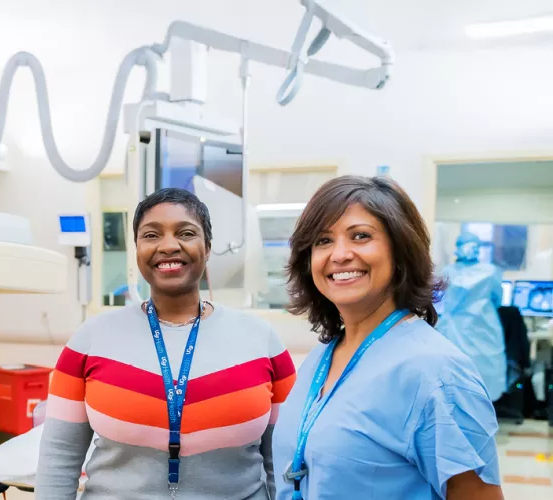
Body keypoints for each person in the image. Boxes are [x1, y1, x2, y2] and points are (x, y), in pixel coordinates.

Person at [36, 187, 296, 500]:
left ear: (208, 247)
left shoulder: (262, 341)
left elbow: (282, 459)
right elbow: (59, 457)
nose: (169, 245)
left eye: (186, 233)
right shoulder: (91, 340)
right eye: (151, 235)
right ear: (137, 249)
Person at [272, 176, 504, 500]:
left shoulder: (436, 373)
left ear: (400, 251)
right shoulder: (323, 355)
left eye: (360, 236)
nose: (339, 254)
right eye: (323, 241)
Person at [436, 232, 507, 402]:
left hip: (453, 328)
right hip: (483, 326)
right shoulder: (491, 272)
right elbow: (498, 299)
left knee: (454, 375)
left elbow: (440, 300)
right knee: (484, 374)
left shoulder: (447, 272)